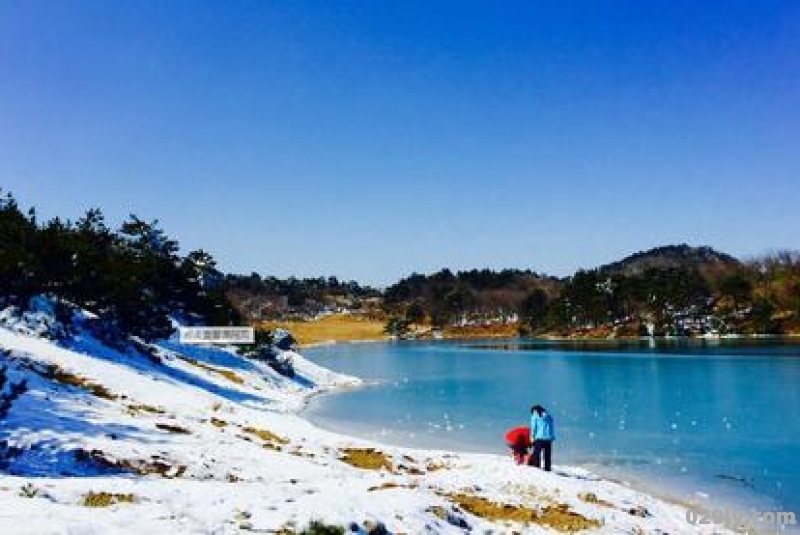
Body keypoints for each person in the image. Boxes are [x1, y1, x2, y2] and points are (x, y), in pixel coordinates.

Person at [529, 405, 555, 471]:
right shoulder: (549, 416)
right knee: (547, 456)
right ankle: (547, 469)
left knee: (536, 454)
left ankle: (537, 468)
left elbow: (533, 427)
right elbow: (551, 427)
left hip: (539, 438)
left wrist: (532, 437)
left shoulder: (535, 415)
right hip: (549, 438)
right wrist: (552, 437)